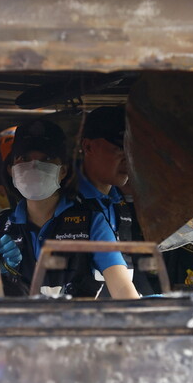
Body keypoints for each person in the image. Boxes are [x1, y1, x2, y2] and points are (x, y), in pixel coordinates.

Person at [0, 119, 139, 300]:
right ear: (11, 170)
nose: (34, 166)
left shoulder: (92, 222)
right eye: (25, 159)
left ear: (63, 171)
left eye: (46, 159)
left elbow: (122, 286)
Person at [79, 106, 160, 294]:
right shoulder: (65, 202)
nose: (128, 159)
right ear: (88, 146)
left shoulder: (118, 202)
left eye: (132, 150)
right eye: (120, 148)